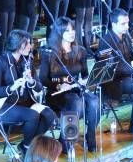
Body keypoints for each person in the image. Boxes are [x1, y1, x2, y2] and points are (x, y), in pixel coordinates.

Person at [0, 29, 56, 156]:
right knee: (32, 115)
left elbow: (39, 88)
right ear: (19, 45)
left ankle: (28, 144)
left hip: (25, 102)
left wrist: (31, 81)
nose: (30, 46)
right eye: (27, 44)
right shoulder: (0, 62)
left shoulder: (27, 61)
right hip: (6, 105)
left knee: (50, 115)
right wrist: (11, 88)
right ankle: (27, 147)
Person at [39, 18, 100, 152]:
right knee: (76, 102)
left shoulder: (81, 51)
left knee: (94, 101)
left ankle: (90, 137)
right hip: (56, 93)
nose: (72, 33)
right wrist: (59, 86)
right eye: (67, 30)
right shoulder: (49, 52)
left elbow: (85, 75)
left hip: (75, 89)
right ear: (59, 33)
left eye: (72, 29)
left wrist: (86, 81)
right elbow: (42, 79)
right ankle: (66, 142)